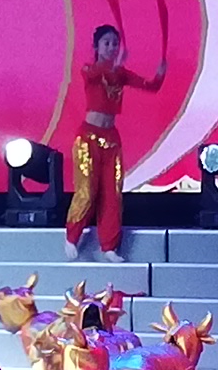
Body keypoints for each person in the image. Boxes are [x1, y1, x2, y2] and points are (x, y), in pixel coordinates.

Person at [67, 24, 165, 263]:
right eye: (107, 43)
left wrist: (161, 73)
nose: (111, 47)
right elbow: (99, 73)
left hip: (111, 140)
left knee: (112, 194)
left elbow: (151, 86)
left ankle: (109, 246)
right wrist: (116, 64)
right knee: (87, 191)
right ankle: (71, 236)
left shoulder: (120, 73)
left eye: (115, 43)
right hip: (88, 138)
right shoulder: (89, 69)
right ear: (96, 47)